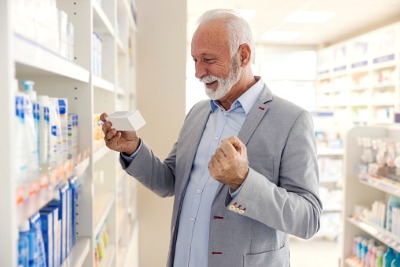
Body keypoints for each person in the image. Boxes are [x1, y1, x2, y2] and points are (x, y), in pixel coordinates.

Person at [100, 9, 322, 267]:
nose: (198, 72)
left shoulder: (291, 120)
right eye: (194, 59)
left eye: (208, 59)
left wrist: (243, 181)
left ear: (244, 55)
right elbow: (170, 181)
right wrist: (133, 149)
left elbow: (309, 219)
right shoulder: (198, 113)